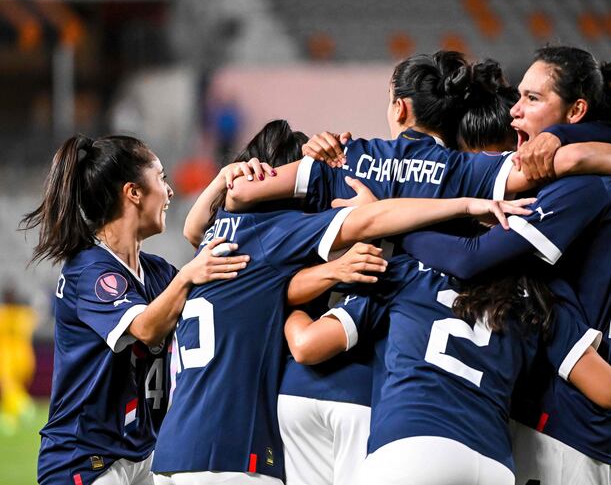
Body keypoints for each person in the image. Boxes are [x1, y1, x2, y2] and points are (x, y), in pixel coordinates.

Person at [152, 120, 533, 484]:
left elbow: (198, 233)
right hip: (246, 439)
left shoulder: (217, 238)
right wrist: (463, 204)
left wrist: (225, 176)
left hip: (183, 438)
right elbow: (369, 224)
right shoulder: (283, 232)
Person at [400, 45, 611, 484]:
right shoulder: (609, 171)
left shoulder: (586, 184)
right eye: (519, 97)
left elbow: (472, 259)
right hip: (576, 417)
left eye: (533, 99)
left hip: (563, 421)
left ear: (577, 109)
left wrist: (394, 222)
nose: (515, 112)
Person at [282, 255, 611, 485]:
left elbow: (307, 345)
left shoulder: (408, 273)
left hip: (412, 447)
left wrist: (288, 308)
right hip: (496, 465)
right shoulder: (537, 296)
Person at [196, 51, 611, 224]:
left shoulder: (343, 157)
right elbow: (576, 160)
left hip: (334, 345)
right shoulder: (468, 172)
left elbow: (240, 195)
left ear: (400, 107)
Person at [21, 135, 249, 485]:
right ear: (133, 192)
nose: (170, 191)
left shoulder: (157, 272)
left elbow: (210, 294)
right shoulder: (90, 271)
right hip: (85, 458)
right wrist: (189, 276)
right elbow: (144, 328)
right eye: (161, 177)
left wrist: (222, 181)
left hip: (140, 452)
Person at [0, 285, 38, 435]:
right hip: (24, 356)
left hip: (8, 358)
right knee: (12, 387)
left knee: (8, 386)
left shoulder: (3, 315)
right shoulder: (26, 314)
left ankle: (25, 407)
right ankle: (10, 419)